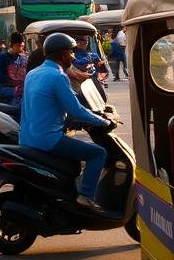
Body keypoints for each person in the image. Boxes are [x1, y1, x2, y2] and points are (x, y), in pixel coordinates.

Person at [20, 33, 113, 212]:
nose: (73, 56)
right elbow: (76, 109)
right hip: (48, 140)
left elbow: (36, 106)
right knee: (98, 153)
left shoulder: (32, 73)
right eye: (71, 52)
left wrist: (69, 122)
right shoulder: (58, 76)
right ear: (62, 54)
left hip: (27, 138)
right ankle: (86, 197)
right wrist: (102, 121)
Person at [0, 32, 26, 102]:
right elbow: (0, 78)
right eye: (18, 46)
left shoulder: (23, 58)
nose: (21, 49)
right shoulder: (2, 58)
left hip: (20, 88)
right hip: (3, 87)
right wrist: (17, 85)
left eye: (22, 46)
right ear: (11, 45)